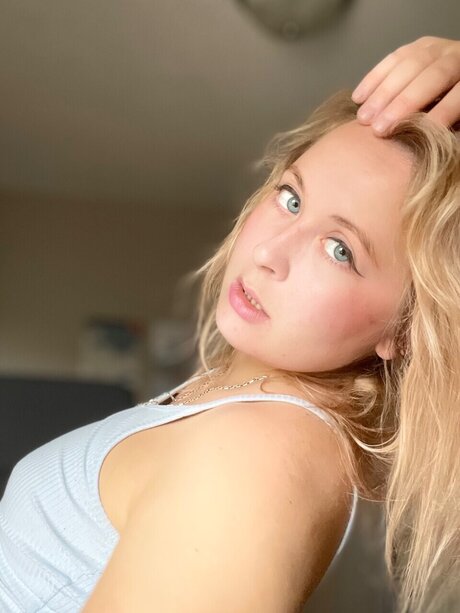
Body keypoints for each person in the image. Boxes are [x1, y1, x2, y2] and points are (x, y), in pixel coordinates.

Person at [0, 36, 458, 613]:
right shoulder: (238, 403)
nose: (269, 252)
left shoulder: (261, 454)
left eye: (339, 249)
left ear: (404, 329)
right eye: (291, 199)